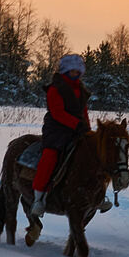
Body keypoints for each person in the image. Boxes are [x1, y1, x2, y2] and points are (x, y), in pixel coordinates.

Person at [31, 53, 90, 218]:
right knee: (50, 157)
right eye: (72, 71)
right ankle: (38, 198)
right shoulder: (55, 88)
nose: (75, 73)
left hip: (77, 130)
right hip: (56, 130)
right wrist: (76, 124)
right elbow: (57, 113)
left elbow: (83, 112)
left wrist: (88, 130)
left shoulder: (81, 90)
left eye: (77, 71)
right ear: (65, 70)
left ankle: (97, 194)